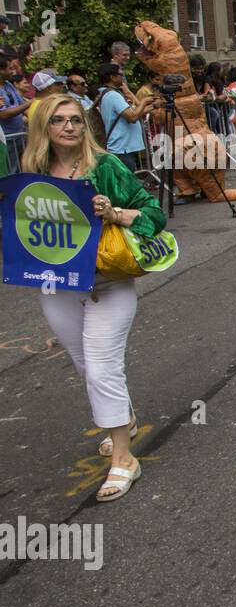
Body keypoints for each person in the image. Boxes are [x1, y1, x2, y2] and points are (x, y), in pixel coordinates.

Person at [22, 95, 166, 501]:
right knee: (87, 366)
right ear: (42, 129)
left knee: (103, 368)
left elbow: (155, 214)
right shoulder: (31, 173)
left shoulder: (107, 167)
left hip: (109, 282)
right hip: (57, 285)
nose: (69, 127)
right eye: (58, 121)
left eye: (76, 121)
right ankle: (126, 417)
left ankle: (123, 459)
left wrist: (115, 213)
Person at [97, 61, 156, 172]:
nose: (123, 78)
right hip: (122, 149)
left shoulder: (110, 94)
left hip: (123, 148)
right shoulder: (113, 95)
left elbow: (134, 112)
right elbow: (133, 117)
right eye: (121, 75)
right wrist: (144, 101)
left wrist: (155, 106)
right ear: (112, 77)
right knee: (126, 185)